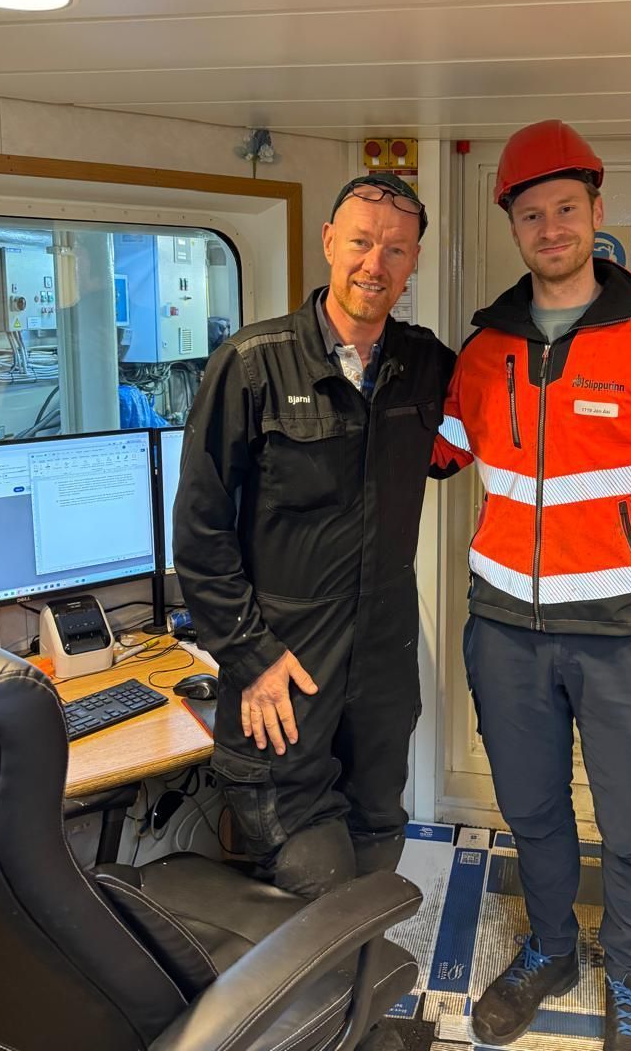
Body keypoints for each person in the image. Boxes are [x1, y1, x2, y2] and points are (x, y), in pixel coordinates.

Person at [431, 122, 631, 1051]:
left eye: (566, 208)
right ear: (513, 227)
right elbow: (434, 450)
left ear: (597, 212)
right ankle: (552, 949)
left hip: (630, 636)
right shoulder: (485, 348)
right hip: (506, 631)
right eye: (532, 214)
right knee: (531, 810)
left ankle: (630, 978)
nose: (551, 227)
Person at [174, 172, 454, 913]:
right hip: (284, 675)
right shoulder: (251, 364)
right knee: (316, 878)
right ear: (329, 243)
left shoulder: (425, 366)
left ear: (414, 261)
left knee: (379, 840)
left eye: (396, 249)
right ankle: (320, 985)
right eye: (360, 242)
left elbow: (489, 417)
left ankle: (357, 980)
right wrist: (251, 657)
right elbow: (199, 531)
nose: (374, 264)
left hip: (383, 670)